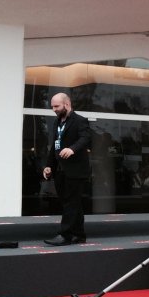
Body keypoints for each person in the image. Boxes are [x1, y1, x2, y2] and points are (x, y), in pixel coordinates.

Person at [42, 93, 92, 246]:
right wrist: (49, 165)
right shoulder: (57, 122)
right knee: (71, 203)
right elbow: (55, 146)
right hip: (60, 171)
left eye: (56, 106)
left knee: (71, 203)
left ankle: (66, 235)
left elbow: (85, 138)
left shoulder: (80, 121)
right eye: (52, 106)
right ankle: (79, 235)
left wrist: (72, 149)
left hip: (76, 170)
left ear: (67, 104)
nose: (54, 109)